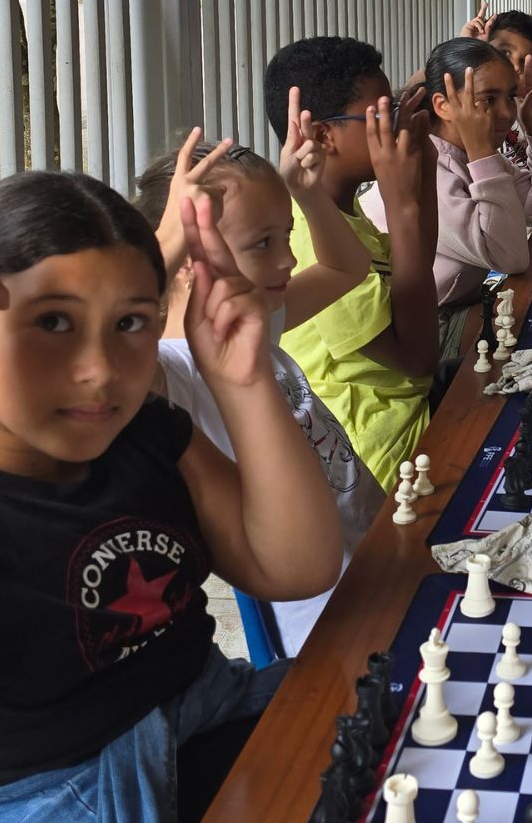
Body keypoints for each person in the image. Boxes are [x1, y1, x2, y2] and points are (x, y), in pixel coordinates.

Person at [0, 175, 341, 819]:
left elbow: (296, 566)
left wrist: (242, 379)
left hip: (203, 715)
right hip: (31, 797)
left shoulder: (144, 429)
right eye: (53, 321)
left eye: (129, 322)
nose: (101, 369)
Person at [134, 109, 385, 659]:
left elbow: (347, 268)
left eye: (286, 236)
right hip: (325, 617)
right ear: (186, 256)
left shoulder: (253, 322)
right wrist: (163, 246)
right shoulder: (169, 373)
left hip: (377, 562)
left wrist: (307, 193)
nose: (289, 258)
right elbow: (108, 350)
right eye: (262, 243)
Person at [262, 36, 439, 490]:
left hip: (409, 412)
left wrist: (425, 164)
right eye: (381, 116)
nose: (395, 125)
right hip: (382, 454)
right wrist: (401, 205)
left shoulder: (341, 207)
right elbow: (418, 358)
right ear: (324, 135)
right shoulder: (307, 236)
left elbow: (416, 267)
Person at [366, 37, 532, 326]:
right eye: (488, 100)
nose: (507, 113)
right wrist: (482, 152)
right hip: (419, 325)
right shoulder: (427, 167)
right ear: (443, 105)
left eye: (510, 97)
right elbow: (511, 258)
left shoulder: (468, 156)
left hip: (458, 304)